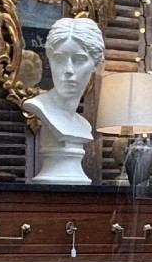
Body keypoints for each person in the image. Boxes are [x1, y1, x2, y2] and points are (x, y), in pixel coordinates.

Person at [24, 17, 106, 184]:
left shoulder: (83, 124)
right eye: (60, 58)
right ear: (50, 60)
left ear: (95, 64)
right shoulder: (39, 106)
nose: (68, 70)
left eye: (80, 60)